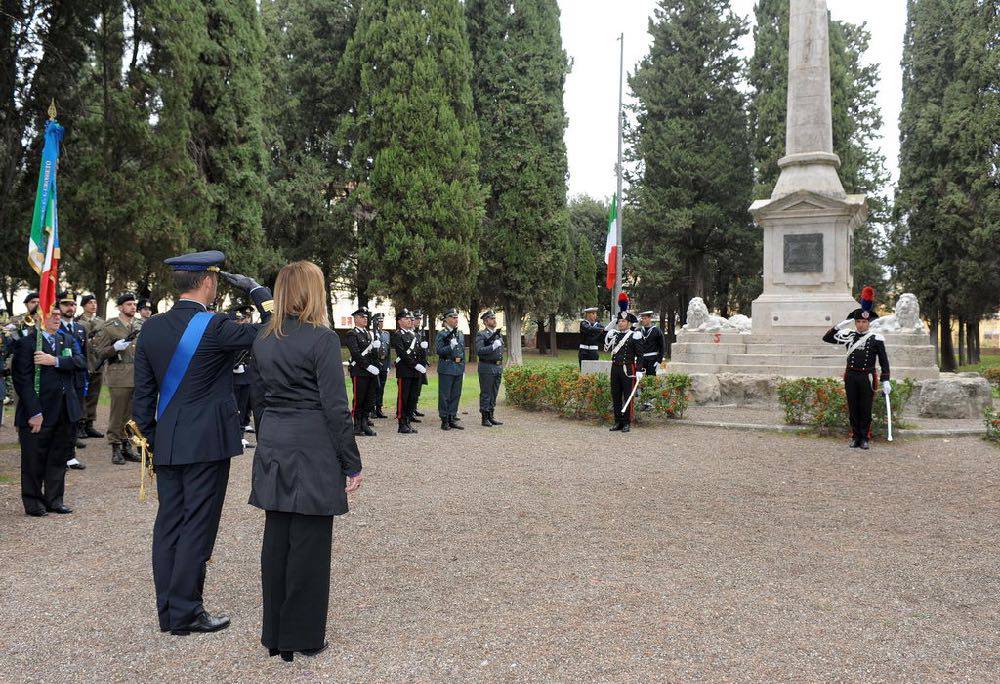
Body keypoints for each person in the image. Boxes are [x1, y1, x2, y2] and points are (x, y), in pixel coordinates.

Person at [132, 250, 273, 636]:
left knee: (169, 524)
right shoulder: (217, 326)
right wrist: (261, 293)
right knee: (198, 525)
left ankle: (169, 611)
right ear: (208, 282)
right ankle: (187, 612)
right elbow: (277, 331)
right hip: (207, 443)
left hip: (167, 441)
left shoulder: (152, 328)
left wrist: (152, 440)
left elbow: (142, 397)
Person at [248, 260, 363, 662]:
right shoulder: (322, 338)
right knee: (310, 546)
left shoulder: (263, 338)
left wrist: (268, 444)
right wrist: (351, 460)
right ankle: (304, 635)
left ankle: (276, 635)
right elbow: (335, 407)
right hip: (312, 445)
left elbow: (258, 400)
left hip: (276, 441)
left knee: (276, 542)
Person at [11, 304, 85, 516]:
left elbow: (81, 362)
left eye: (58, 314)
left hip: (64, 409)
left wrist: (56, 361)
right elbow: (22, 381)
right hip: (39, 412)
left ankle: (54, 499)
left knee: (58, 457)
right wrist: (34, 412)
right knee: (34, 458)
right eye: (51, 314)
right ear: (39, 317)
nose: (56, 318)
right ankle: (33, 502)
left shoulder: (67, 339)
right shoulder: (27, 343)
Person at [822, 286, 891, 450]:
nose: (861, 325)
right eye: (858, 322)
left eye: (864, 322)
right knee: (853, 408)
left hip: (867, 377)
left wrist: (886, 380)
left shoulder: (876, 338)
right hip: (851, 376)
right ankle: (855, 437)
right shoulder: (849, 336)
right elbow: (827, 338)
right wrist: (839, 326)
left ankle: (865, 438)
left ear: (869, 322)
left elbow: (884, 361)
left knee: (865, 409)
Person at [92, 292, 142, 465]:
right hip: (119, 374)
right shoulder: (109, 326)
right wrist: (114, 347)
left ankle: (127, 446)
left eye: (134, 304)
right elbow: (99, 352)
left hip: (137, 374)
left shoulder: (139, 325)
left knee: (131, 414)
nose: (133, 307)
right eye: (129, 304)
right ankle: (115, 447)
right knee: (117, 413)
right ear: (120, 307)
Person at [56, 291, 88, 467]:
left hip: (77, 379)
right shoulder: (54, 328)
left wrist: (86, 378)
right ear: (58, 307)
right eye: (66, 304)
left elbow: (85, 356)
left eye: (73, 304)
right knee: (60, 417)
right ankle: (59, 455)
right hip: (60, 380)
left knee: (74, 418)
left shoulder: (80, 328)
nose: (71, 308)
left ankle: (70, 455)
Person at [604, 311, 644, 433]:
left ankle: (626, 422)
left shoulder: (634, 335)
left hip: (627, 369)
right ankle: (618, 421)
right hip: (615, 368)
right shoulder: (614, 335)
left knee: (628, 396)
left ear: (628, 323)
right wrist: (610, 325)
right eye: (619, 321)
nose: (621, 323)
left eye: (623, 321)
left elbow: (640, 355)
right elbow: (604, 342)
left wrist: (638, 369)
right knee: (615, 395)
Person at [345, 308, 380, 437]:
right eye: (362, 317)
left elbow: (372, 355)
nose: (365, 319)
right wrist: (368, 366)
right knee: (359, 399)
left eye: (366, 317)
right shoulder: (352, 334)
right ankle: (357, 425)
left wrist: (376, 350)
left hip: (370, 372)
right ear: (355, 319)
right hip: (359, 371)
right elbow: (355, 354)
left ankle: (365, 424)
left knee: (369, 399)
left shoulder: (368, 334)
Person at [76, 293, 105, 439]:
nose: (93, 305)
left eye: (95, 302)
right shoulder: (78, 322)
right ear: (83, 305)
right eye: (90, 303)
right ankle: (80, 424)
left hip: (98, 363)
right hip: (83, 363)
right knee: (82, 395)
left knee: (94, 394)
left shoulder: (101, 322)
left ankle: (90, 424)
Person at [390, 309, 424, 434]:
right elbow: (402, 354)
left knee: (412, 397)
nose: (410, 320)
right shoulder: (398, 335)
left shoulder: (413, 335)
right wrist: (416, 365)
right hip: (405, 371)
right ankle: (401, 423)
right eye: (406, 318)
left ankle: (408, 421)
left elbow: (418, 353)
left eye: (410, 318)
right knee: (403, 397)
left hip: (415, 372)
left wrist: (422, 360)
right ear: (399, 321)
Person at [435, 308, 465, 431]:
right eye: (453, 317)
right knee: (445, 395)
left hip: (458, 367)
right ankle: (444, 419)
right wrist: (450, 346)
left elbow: (462, 352)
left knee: (455, 395)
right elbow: (439, 351)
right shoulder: (442, 334)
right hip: (447, 367)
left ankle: (452, 417)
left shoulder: (460, 333)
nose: (455, 319)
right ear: (446, 319)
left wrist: (463, 369)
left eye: (456, 317)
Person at [231, 307, 256, 446]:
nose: (241, 322)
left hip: (245, 376)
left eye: (242, 319)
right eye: (238, 320)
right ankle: (236, 435)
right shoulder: (232, 336)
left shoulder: (245, 334)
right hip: (234, 378)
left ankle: (240, 434)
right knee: (235, 408)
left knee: (244, 404)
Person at [475, 310, 504, 427]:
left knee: (494, 392)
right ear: (486, 321)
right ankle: (484, 417)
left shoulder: (498, 334)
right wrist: (492, 347)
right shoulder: (481, 334)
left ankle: (491, 415)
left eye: (494, 318)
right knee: (486, 393)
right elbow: (480, 351)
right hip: (486, 367)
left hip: (497, 366)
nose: (494, 320)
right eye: (492, 319)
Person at [371, 313, 390, 419]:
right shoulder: (371, 333)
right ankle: (372, 409)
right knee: (374, 387)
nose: (381, 323)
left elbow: (388, 351)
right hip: (375, 364)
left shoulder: (386, 334)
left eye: (382, 321)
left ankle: (379, 408)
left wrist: (388, 365)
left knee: (381, 387)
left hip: (384, 365)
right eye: (379, 321)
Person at [410, 310, 428, 420]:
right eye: (417, 319)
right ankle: (408, 410)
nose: (418, 321)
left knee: (418, 387)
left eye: (420, 319)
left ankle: (414, 408)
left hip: (421, 363)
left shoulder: (420, 332)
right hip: (413, 363)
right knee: (411, 388)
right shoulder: (410, 332)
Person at [636, 311, 665, 376]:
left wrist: (659, 361)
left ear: (650, 318)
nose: (643, 320)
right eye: (642, 318)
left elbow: (662, 347)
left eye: (645, 318)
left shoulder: (657, 330)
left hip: (652, 359)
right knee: (638, 379)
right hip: (640, 359)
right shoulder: (638, 330)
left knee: (651, 379)